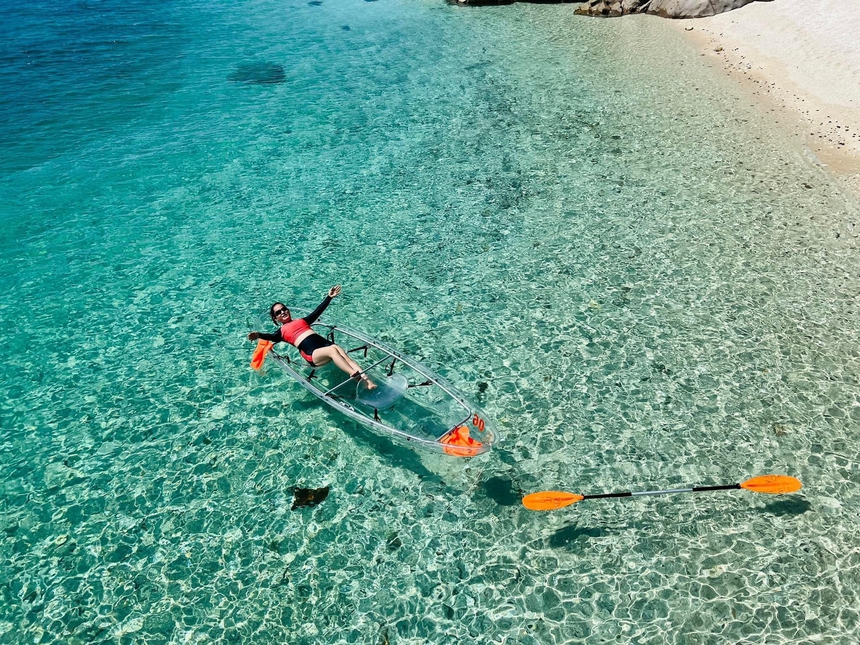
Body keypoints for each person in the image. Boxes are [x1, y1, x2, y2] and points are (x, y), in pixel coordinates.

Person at [248, 285, 376, 389]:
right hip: (312, 354)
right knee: (332, 350)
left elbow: (317, 311)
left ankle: (367, 382)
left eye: (284, 309)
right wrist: (258, 335)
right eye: (278, 313)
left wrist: (329, 297)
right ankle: (353, 374)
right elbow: (272, 337)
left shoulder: (302, 321)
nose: (283, 312)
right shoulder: (281, 332)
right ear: (276, 318)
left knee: (341, 353)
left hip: (324, 345)